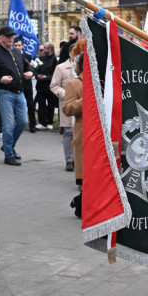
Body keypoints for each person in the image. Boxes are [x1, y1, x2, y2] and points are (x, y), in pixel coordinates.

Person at [0, 26, 33, 166]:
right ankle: (8, 155)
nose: (10, 38)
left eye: (12, 36)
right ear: (0, 38)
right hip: (4, 93)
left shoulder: (16, 51)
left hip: (19, 92)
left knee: (22, 122)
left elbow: (28, 66)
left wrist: (31, 73)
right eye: (7, 36)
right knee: (8, 126)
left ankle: (8, 146)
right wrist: (0, 79)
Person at [61, 52, 85, 217]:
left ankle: (81, 202)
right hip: (84, 134)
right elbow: (67, 109)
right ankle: (81, 205)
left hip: (105, 134)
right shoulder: (75, 84)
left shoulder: (105, 82)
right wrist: (86, 99)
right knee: (87, 176)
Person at [50, 46, 77, 172]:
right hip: (68, 104)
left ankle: (80, 159)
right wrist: (66, 94)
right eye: (75, 52)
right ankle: (69, 159)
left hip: (83, 104)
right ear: (70, 53)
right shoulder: (61, 67)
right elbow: (54, 85)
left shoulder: (87, 67)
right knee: (68, 132)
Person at [13, 37, 37, 134]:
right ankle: (18, 124)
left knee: (30, 104)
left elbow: (32, 69)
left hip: (27, 83)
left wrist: (31, 72)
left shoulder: (27, 56)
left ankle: (32, 124)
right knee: (15, 105)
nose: (17, 47)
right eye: (15, 45)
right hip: (17, 84)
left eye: (19, 45)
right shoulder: (11, 56)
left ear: (23, 46)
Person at [34, 42, 58, 130]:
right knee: (41, 105)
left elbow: (56, 74)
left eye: (45, 48)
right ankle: (42, 122)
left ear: (50, 49)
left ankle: (50, 122)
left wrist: (46, 77)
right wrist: (37, 75)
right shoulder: (40, 58)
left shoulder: (55, 59)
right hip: (40, 86)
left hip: (50, 86)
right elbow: (35, 69)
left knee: (51, 105)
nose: (43, 49)